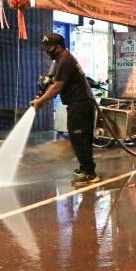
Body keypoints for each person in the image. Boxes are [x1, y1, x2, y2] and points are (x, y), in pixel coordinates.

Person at [31, 33, 101, 186]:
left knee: (79, 138)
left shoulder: (65, 60)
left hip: (80, 104)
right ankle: (86, 168)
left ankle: (90, 173)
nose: (47, 51)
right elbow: (52, 82)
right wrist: (41, 95)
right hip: (78, 104)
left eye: (49, 48)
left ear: (57, 48)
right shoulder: (60, 60)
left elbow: (57, 87)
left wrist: (40, 101)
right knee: (78, 138)